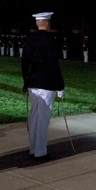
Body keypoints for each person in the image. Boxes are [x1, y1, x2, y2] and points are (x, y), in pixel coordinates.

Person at [20, 11, 65, 161]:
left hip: (33, 82)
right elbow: (53, 64)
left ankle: (33, 149)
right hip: (46, 83)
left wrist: (26, 81)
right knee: (42, 119)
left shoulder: (30, 39)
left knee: (34, 117)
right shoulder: (50, 40)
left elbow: (24, 62)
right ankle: (40, 152)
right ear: (47, 23)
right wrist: (60, 86)